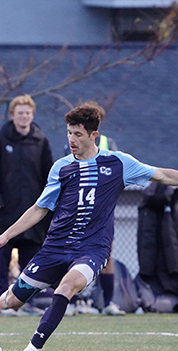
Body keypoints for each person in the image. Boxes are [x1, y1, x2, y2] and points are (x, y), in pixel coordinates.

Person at [0, 104, 178, 351]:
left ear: (94, 135)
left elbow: (162, 174)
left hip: (92, 248)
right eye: (69, 133)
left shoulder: (118, 163)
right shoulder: (61, 168)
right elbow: (39, 208)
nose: (71, 140)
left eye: (78, 134)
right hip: (55, 248)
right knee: (9, 302)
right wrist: (5, 236)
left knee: (67, 287)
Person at [0, 94, 53, 314]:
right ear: (12, 115)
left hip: (33, 215)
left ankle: (25, 303)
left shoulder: (40, 140)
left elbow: (50, 176)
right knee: (1, 261)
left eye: (27, 113)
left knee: (29, 263)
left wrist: (47, 206)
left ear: (32, 115)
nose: (24, 117)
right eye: (20, 113)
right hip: (6, 213)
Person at [63, 101, 123, 316]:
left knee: (107, 255)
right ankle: (71, 303)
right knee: (71, 255)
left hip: (102, 213)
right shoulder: (71, 145)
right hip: (78, 209)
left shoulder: (109, 144)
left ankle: (108, 303)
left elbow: (117, 173)